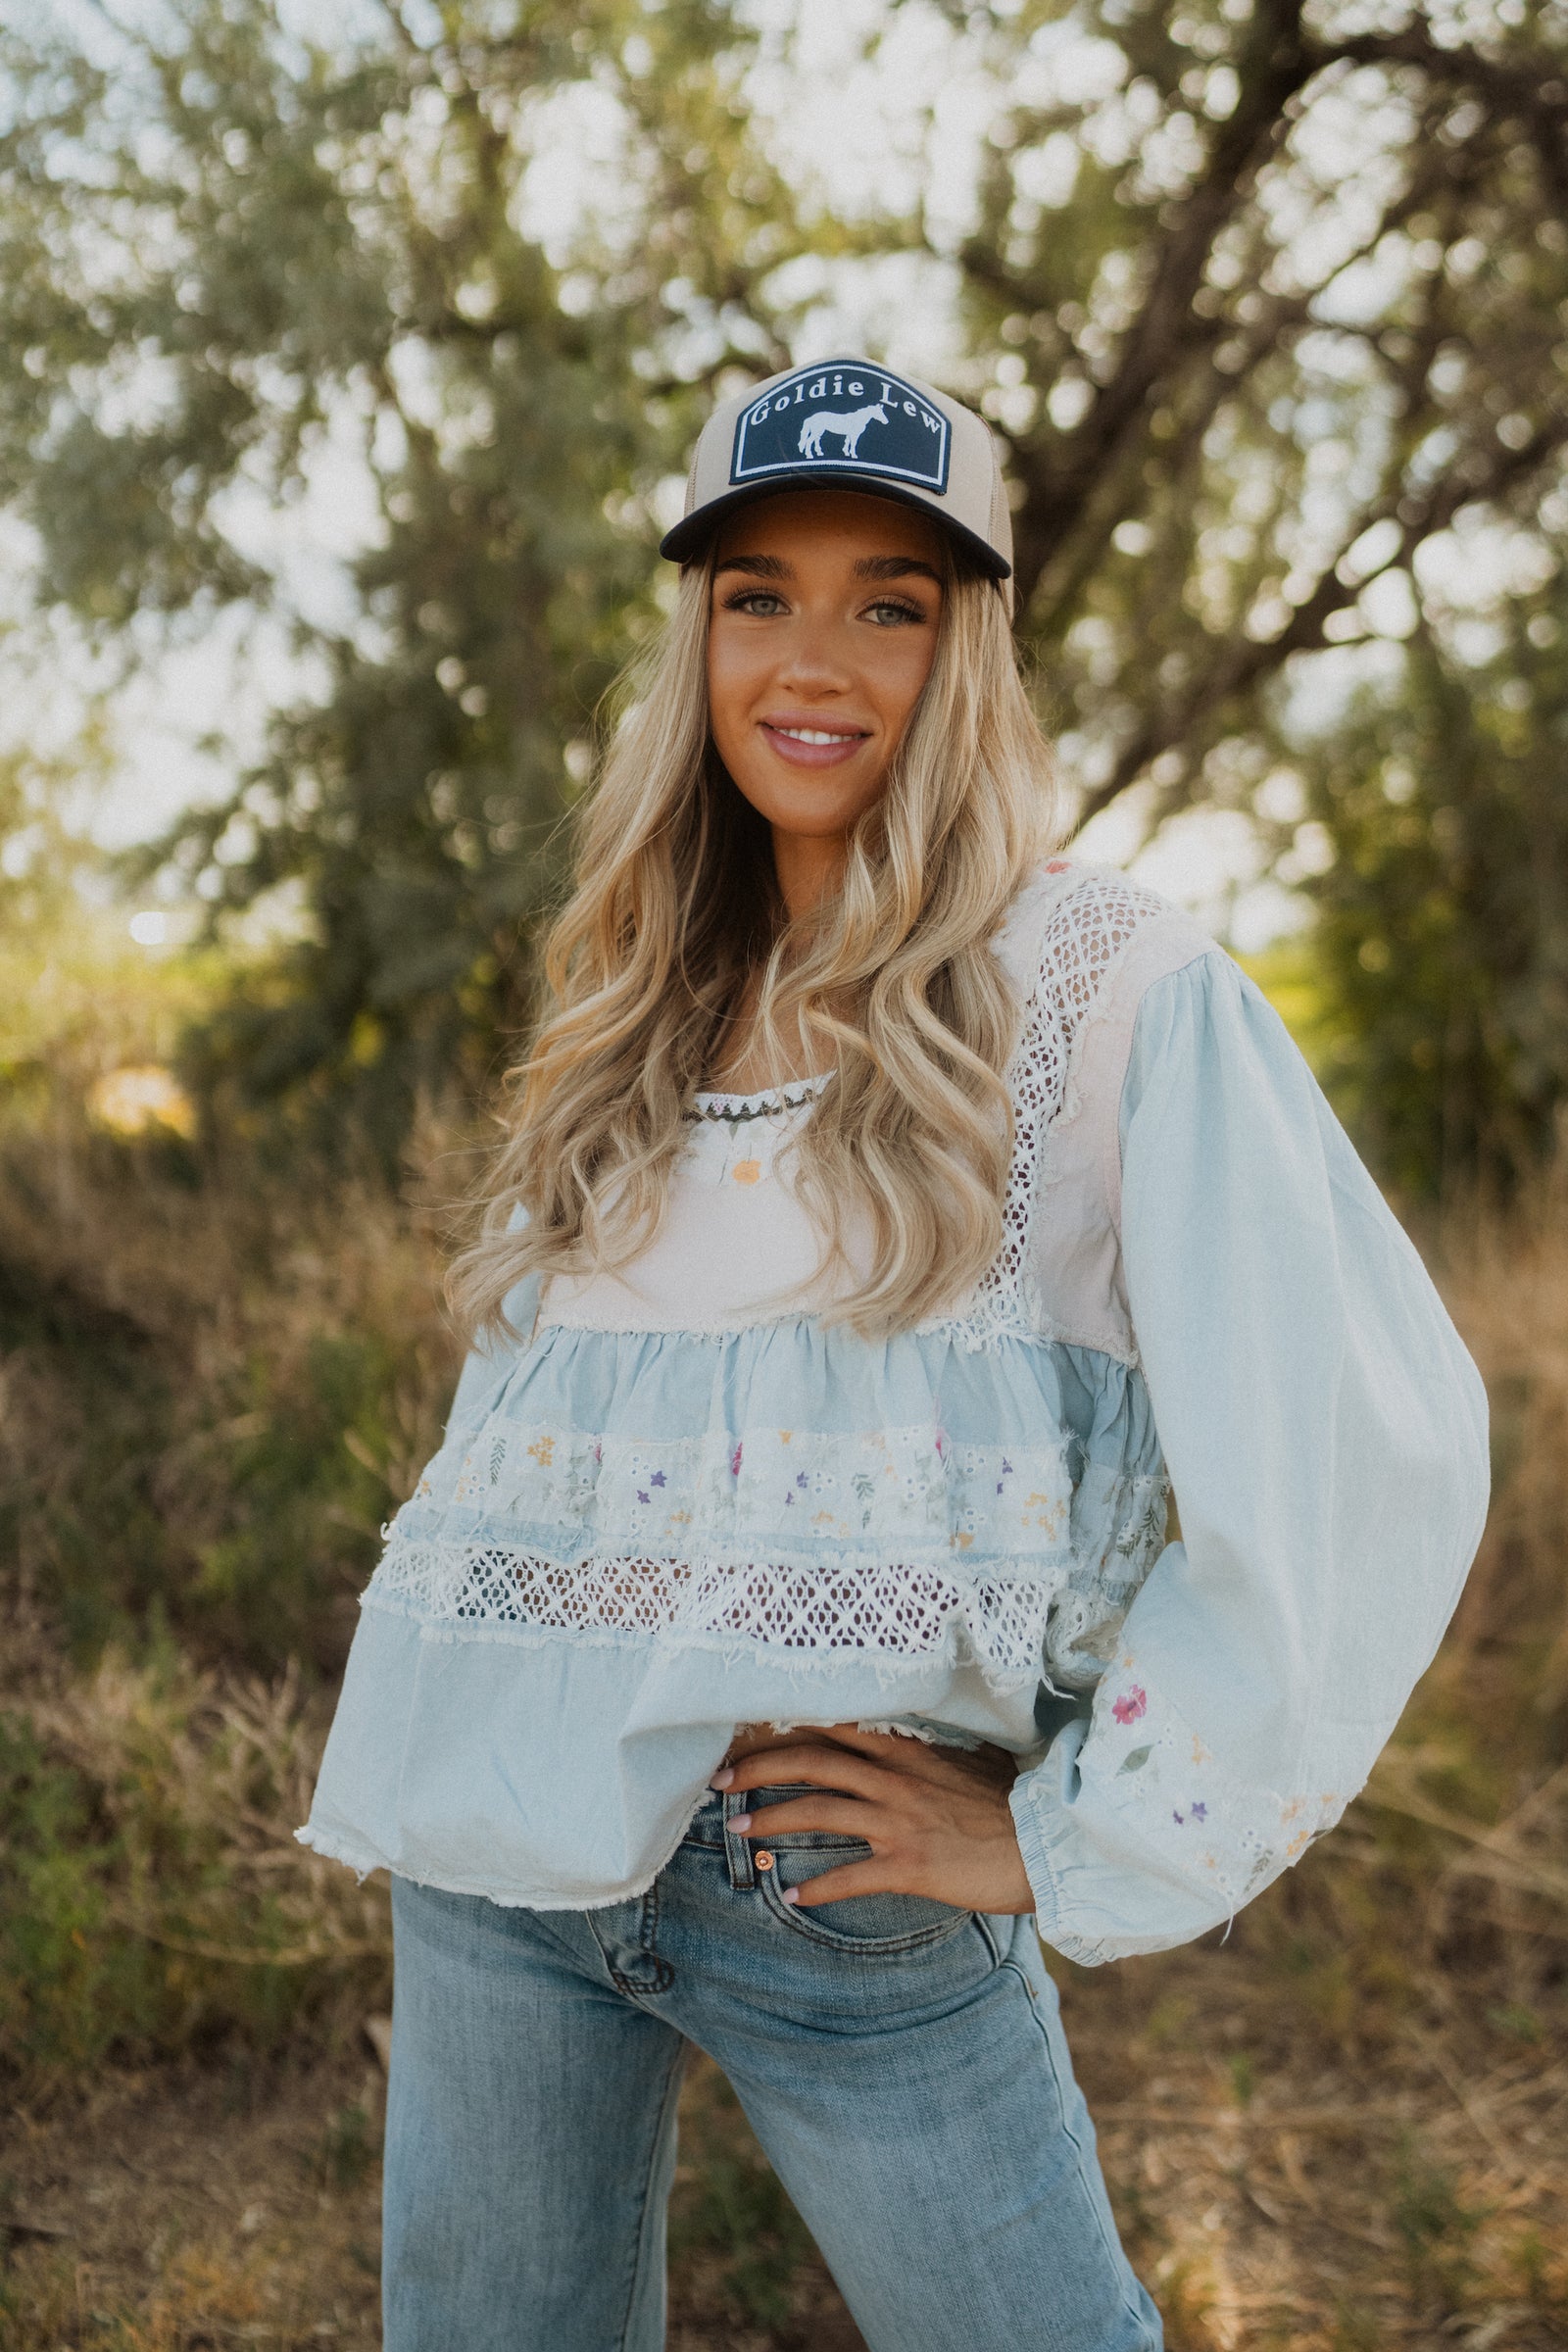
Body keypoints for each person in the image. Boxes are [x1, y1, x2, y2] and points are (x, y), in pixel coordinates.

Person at [299, 357, 1490, 2352]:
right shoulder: (635, 997)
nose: (812, 658)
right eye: (758, 593)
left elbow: (1372, 1442)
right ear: (697, 635)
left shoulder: (1102, 987)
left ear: (970, 645)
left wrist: (1064, 1837)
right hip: (499, 1861)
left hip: (840, 1890)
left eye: (891, 602)